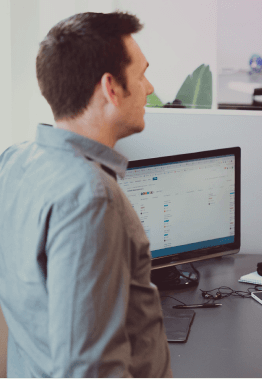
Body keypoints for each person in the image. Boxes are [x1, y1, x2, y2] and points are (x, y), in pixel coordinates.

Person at [0, 11, 172, 377]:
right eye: (140, 74)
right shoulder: (90, 197)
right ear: (111, 88)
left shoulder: (14, 161)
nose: (150, 87)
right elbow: (89, 368)